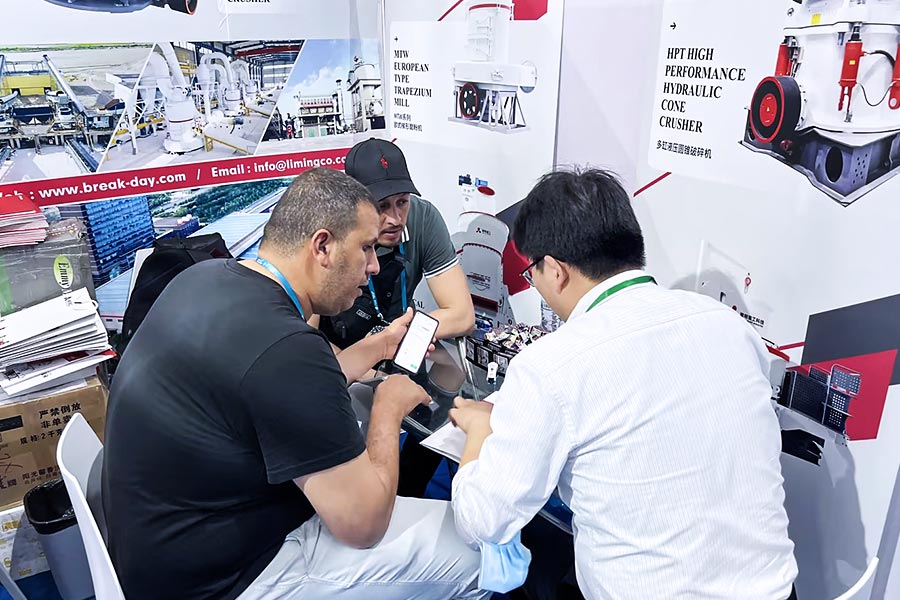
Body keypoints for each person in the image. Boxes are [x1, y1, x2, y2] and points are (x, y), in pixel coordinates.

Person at [103, 168, 489, 600]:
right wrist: (388, 408)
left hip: (163, 549)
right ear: (322, 246)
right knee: (479, 559)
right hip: (227, 578)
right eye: (365, 248)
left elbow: (274, 386)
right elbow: (363, 524)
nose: (374, 266)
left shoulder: (205, 277)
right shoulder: (286, 347)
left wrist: (380, 345)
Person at [449, 168, 798, 600]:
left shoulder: (551, 365)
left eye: (531, 273)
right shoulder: (730, 326)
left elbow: (482, 523)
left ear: (554, 270)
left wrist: (480, 432)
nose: (534, 284)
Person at [317, 138, 475, 497]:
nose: (394, 218)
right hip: (341, 349)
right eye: (381, 206)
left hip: (397, 342)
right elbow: (305, 335)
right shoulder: (328, 232)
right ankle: (367, 493)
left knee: (452, 373)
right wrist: (365, 365)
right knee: (362, 401)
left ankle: (411, 486)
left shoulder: (422, 218)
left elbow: (462, 314)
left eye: (401, 202)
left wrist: (405, 334)